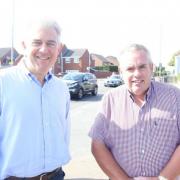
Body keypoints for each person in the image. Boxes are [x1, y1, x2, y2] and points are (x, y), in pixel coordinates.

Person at [89, 44, 180, 180]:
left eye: (142, 66)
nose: (137, 73)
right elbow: (97, 144)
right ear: (121, 72)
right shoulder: (110, 99)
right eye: (130, 68)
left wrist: (162, 179)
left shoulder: (174, 96)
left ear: (151, 67)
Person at [0, 19, 71, 180]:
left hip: (56, 175)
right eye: (37, 42)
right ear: (24, 46)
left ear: (58, 49)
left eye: (51, 43)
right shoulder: (3, 83)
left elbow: (64, 134)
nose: (44, 50)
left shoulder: (61, 89)